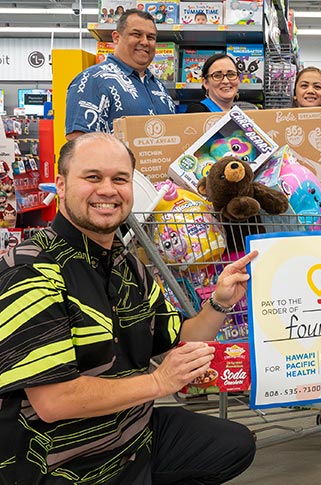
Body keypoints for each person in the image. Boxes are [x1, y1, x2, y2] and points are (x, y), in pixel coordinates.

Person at [0, 132, 256, 483]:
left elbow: (179, 338)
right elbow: (54, 400)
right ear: (61, 184)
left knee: (233, 444)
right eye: (93, 177)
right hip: (62, 462)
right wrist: (158, 382)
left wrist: (220, 302)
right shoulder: (29, 269)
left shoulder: (126, 263)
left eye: (119, 179)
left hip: (132, 435)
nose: (108, 190)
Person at [66, 9, 174, 140]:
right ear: (116, 38)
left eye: (150, 37)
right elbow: (78, 141)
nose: (145, 42)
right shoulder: (92, 79)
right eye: (136, 34)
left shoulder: (159, 86)